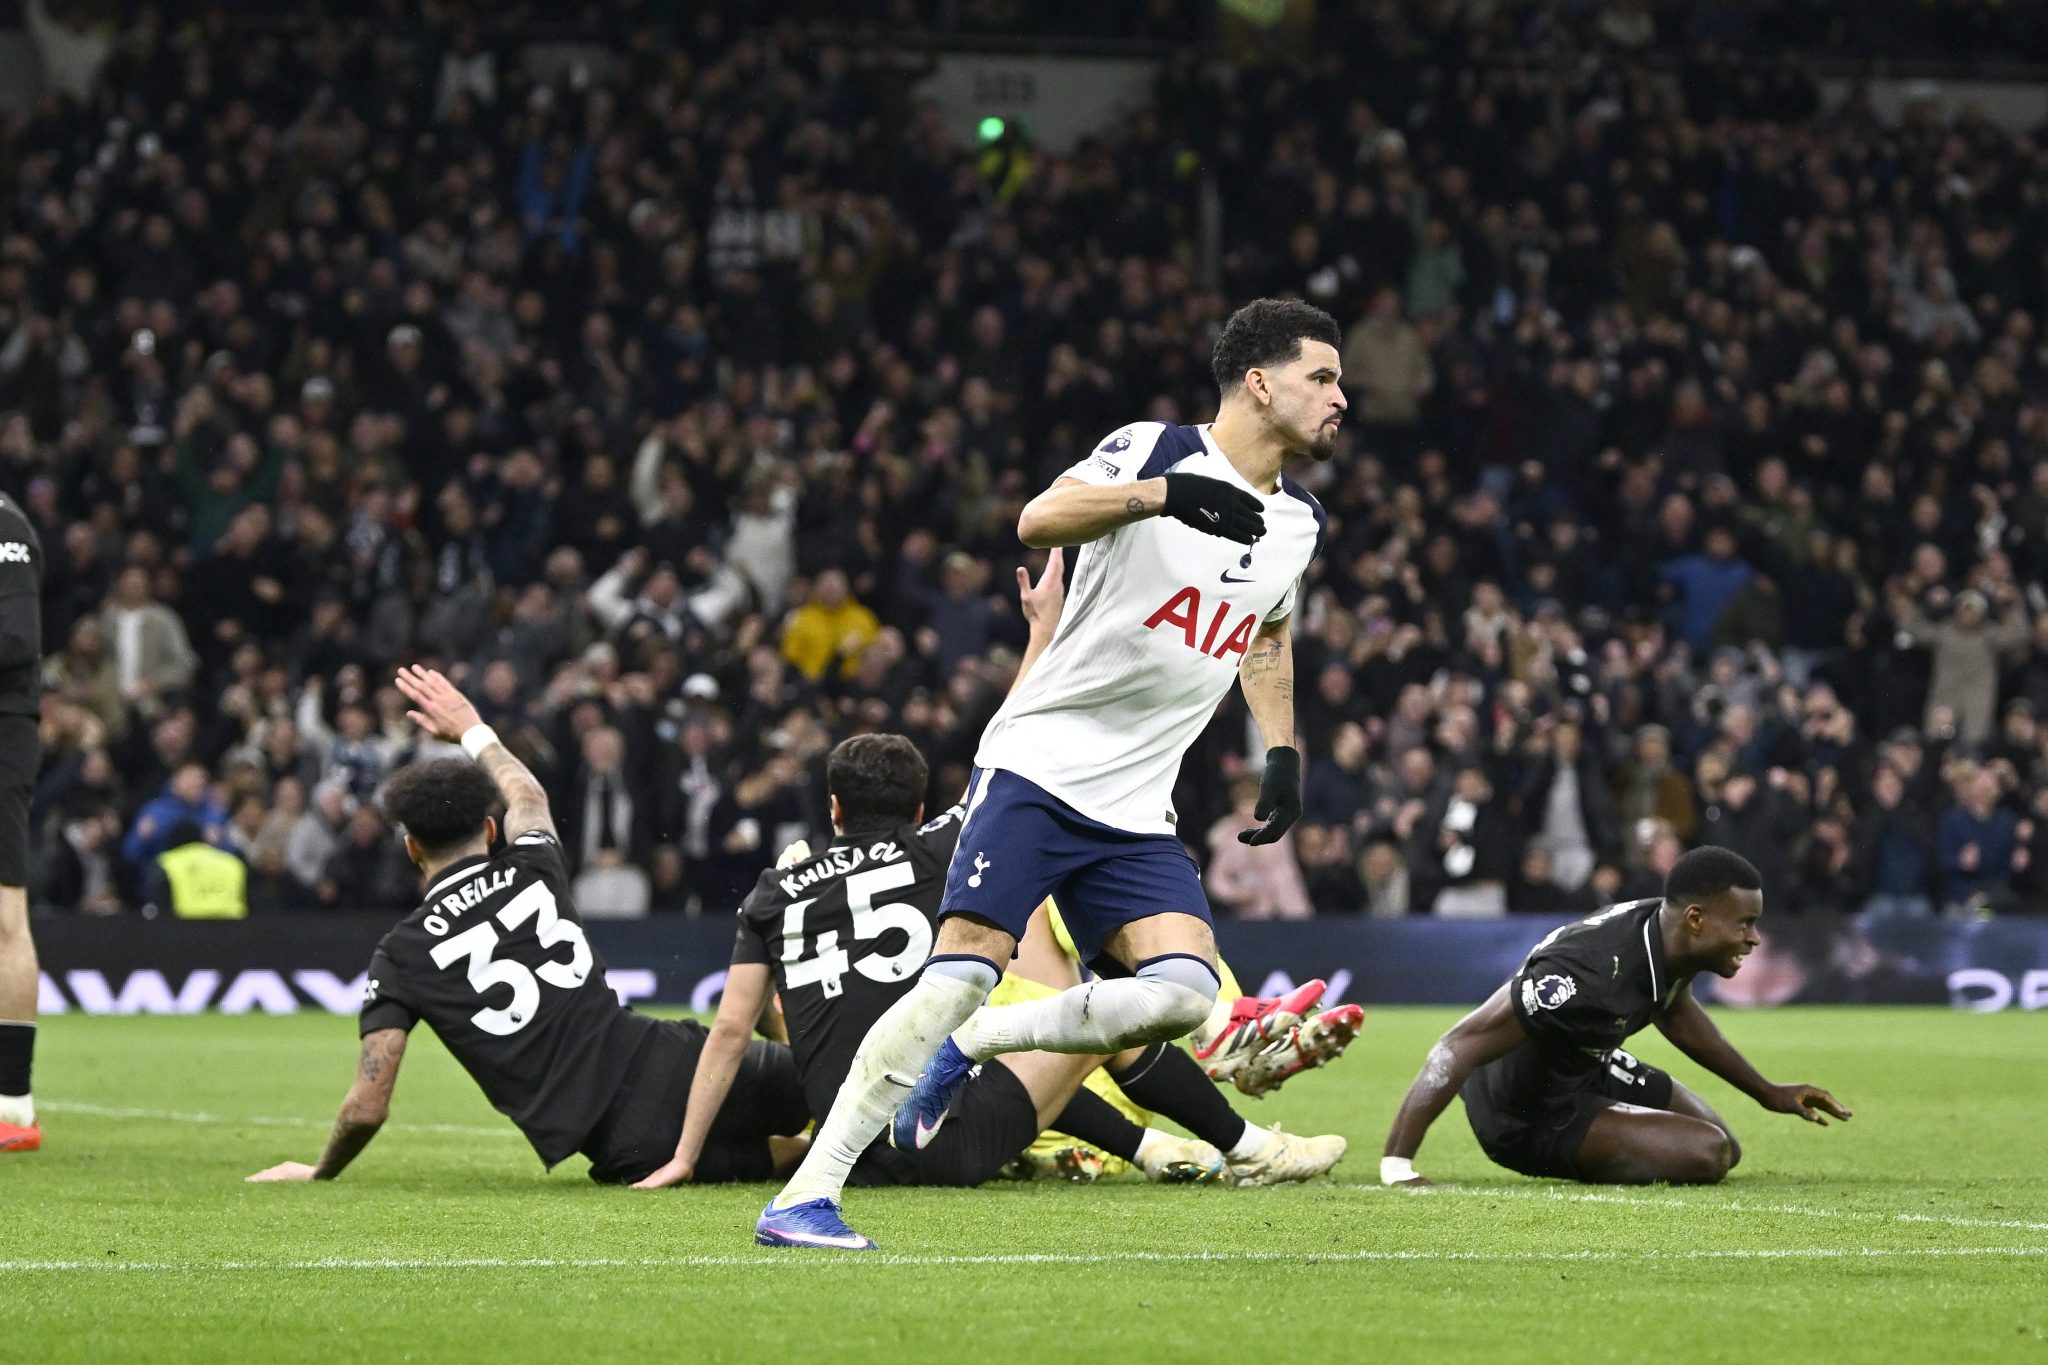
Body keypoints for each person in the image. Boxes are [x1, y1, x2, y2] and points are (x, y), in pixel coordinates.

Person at [755, 298, 1346, 1250]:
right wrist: (1162, 497)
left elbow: (1266, 635)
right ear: (1260, 382)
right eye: (1322, 376)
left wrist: (1280, 747)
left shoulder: (1300, 523)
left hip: (1137, 802)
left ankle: (983, 1042)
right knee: (958, 973)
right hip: (1040, 765)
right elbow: (1039, 518)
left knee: (1185, 994)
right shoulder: (1154, 449)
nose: (1340, 397)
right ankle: (804, 1198)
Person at [635, 732, 1345, 1225]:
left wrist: (685, 1156)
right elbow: (1005, 761)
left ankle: (1159, 1141)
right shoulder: (934, 846)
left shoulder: (773, 888)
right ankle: (1248, 1142)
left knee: (976, 1044)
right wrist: (1040, 638)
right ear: (919, 810)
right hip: (949, 1143)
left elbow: (733, 1028)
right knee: (1090, 1023)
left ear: (832, 809)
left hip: (852, 1146)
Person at [246, 667, 810, 1186]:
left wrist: (321, 1169)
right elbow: (529, 795)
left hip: (629, 1146)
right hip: (684, 1059)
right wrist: (473, 730)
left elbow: (369, 1102)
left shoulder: (400, 954)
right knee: (852, 1106)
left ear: (412, 847)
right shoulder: (533, 865)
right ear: (492, 832)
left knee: (801, 1156)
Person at [1378, 846, 1850, 1187]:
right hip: (1526, 1115)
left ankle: (1611, 1126)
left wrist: (1767, 1092)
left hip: (1584, 1066)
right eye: (1744, 923)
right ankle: (1594, 1141)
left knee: (1726, 1145)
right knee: (1707, 1152)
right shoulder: (1587, 973)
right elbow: (1458, 1044)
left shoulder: (1667, 933)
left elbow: (1677, 1013)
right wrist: (1398, 1166)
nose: (1754, 939)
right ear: (1696, 919)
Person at [0, 489, 43, 1152]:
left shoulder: (3, 525)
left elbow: (15, 639)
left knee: (3, 917)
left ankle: (12, 1105)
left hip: (1, 731)